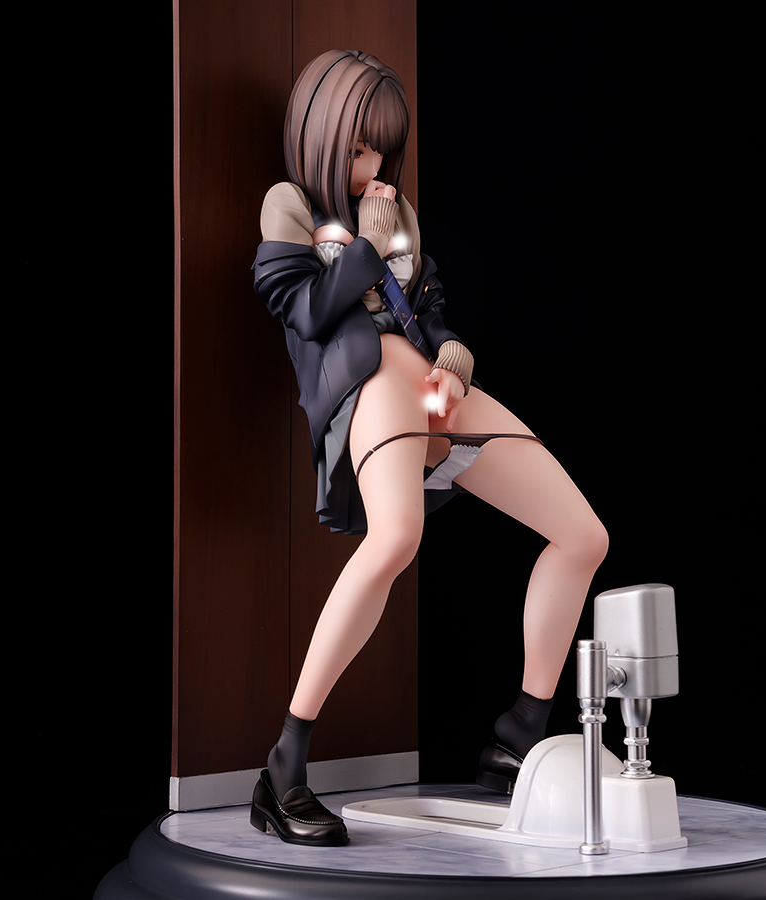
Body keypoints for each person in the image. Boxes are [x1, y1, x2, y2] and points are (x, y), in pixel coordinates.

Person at [249, 49, 608, 846]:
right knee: (395, 540)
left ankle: (518, 735)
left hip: (433, 394)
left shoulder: (394, 206)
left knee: (583, 535)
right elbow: (305, 314)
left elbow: (430, 307)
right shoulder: (291, 205)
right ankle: (283, 768)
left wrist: (452, 355)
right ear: (318, 132)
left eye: (380, 149)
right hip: (371, 386)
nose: (369, 166)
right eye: (355, 147)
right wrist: (369, 245)